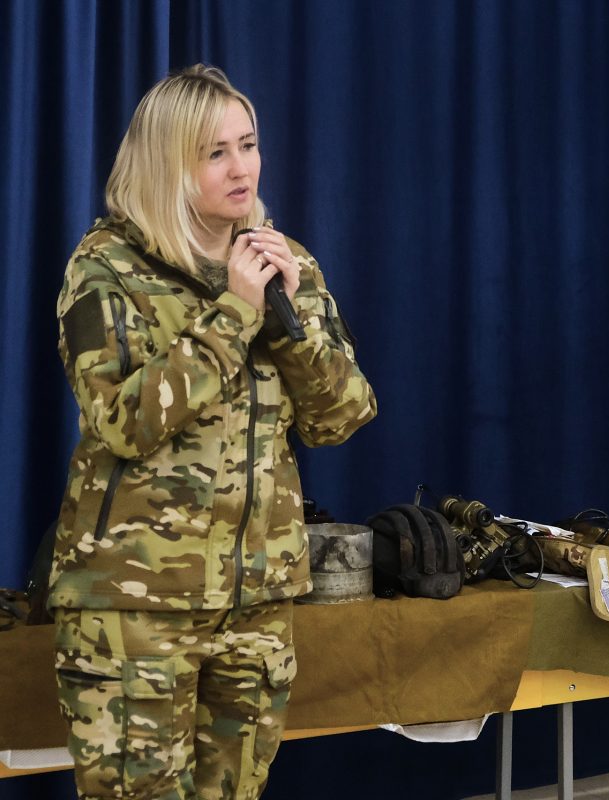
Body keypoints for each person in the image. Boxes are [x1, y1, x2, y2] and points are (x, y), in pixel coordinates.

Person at [49, 64, 377, 798]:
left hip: (255, 606)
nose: (241, 168)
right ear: (168, 163)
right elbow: (122, 422)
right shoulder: (106, 268)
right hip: (135, 610)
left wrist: (288, 320)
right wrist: (234, 314)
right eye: (215, 153)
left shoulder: (282, 260)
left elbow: (341, 416)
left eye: (248, 144)